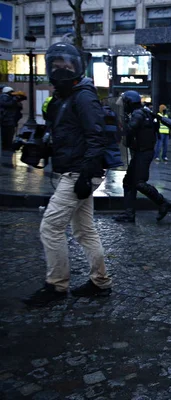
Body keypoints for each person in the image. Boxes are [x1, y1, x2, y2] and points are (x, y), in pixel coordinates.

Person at [23, 42, 113, 306]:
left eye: (66, 65)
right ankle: (101, 282)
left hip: (78, 173)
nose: (61, 69)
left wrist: (86, 175)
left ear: (76, 66)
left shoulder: (83, 95)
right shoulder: (65, 97)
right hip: (74, 170)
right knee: (85, 230)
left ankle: (57, 286)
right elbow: (68, 135)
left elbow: (96, 136)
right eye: (56, 65)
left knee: (50, 226)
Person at [113, 91, 169, 223]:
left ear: (129, 102)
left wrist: (122, 122)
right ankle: (129, 214)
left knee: (139, 182)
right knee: (129, 182)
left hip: (143, 152)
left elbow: (129, 131)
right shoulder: (144, 112)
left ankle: (162, 203)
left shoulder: (138, 114)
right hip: (142, 151)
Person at [0, 86, 21, 151]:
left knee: (10, 134)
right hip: (6, 120)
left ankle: (8, 146)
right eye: (11, 92)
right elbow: (8, 104)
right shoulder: (4, 97)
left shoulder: (10, 98)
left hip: (10, 119)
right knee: (7, 134)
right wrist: (14, 100)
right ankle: (6, 146)